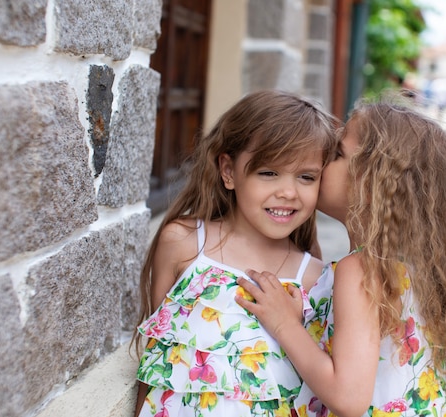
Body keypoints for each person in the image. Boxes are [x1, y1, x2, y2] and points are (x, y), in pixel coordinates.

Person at [236, 98, 446, 417]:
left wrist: (284, 324)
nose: (323, 159)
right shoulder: (424, 266)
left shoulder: (361, 270)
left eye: (338, 154)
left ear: (372, 185)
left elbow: (348, 398)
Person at [131, 89, 340, 417]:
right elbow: (156, 358)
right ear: (228, 171)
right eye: (268, 172)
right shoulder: (185, 244)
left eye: (306, 177)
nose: (288, 192)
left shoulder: (315, 279)